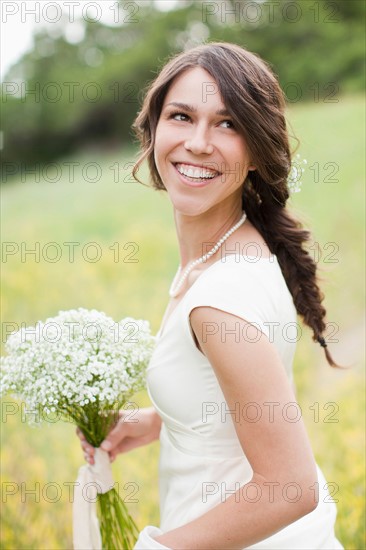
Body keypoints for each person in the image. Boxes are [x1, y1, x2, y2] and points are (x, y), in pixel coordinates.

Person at [78, 42, 345, 549]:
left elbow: (290, 489)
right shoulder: (233, 249)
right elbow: (238, 394)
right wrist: (160, 420)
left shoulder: (219, 297)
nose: (199, 143)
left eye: (228, 124)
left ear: (256, 151)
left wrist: (157, 548)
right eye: (182, 116)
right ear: (154, 128)